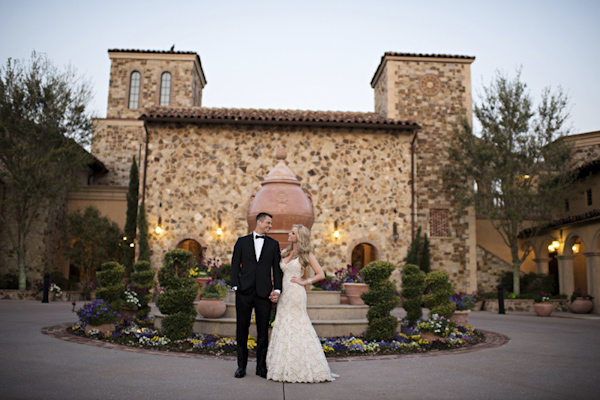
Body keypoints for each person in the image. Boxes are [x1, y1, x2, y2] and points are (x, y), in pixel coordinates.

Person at [266, 224, 337, 383]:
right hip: (284, 294)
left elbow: (321, 274)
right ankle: (283, 365)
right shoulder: (285, 251)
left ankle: (302, 366)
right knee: (283, 323)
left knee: (297, 324)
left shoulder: (306, 254)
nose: (289, 234)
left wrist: (305, 281)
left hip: (296, 293)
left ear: (300, 236)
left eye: (292, 233)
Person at [230, 212, 282, 379]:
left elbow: (277, 269)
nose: (270, 226)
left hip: (264, 294)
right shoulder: (242, 242)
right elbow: (234, 265)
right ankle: (241, 367)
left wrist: (278, 290)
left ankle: (261, 367)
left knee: (262, 332)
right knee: (241, 330)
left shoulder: (274, 245)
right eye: (268, 223)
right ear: (259, 222)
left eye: (270, 224)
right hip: (244, 293)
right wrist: (236, 286)